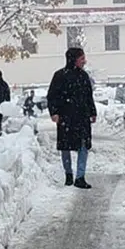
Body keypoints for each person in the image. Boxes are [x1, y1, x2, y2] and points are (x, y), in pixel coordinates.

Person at [47, 47, 97, 188]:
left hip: (82, 117)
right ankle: (68, 174)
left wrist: (92, 112)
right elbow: (52, 96)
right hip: (66, 117)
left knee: (83, 145)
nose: (84, 61)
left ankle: (80, 177)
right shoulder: (59, 76)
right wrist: (54, 112)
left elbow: (88, 96)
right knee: (66, 147)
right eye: (82, 59)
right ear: (74, 60)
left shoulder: (84, 76)